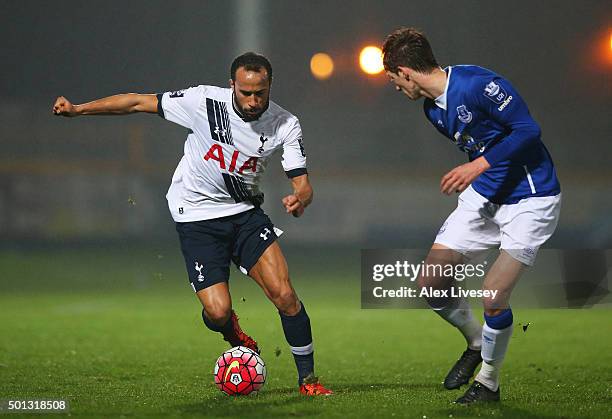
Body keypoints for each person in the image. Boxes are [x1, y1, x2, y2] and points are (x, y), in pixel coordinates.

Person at [52, 52, 332, 396]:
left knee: (286, 295)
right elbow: (138, 102)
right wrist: (79, 109)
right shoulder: (203, 101)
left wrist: (299, 198)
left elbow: (302, 184)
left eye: (260, 92)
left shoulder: (285, 123)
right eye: (245, 92)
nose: (253, 100)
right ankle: (235, 336)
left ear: (270, 86)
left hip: (244, 214)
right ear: (232, 85)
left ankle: (309, 381)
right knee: (217, 312)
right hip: (196, 217)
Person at [382, 28, 561, 404]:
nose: (396, 89)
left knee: (493, 296)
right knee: (430, 283)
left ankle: (489, 383)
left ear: (406, 72)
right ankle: (477, 342)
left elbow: (528, 129)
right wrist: (479, 171)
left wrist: (478, 165)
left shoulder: (478, 83)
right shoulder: (433, 111)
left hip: (531, 199)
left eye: (395, 81)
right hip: (484, 198)